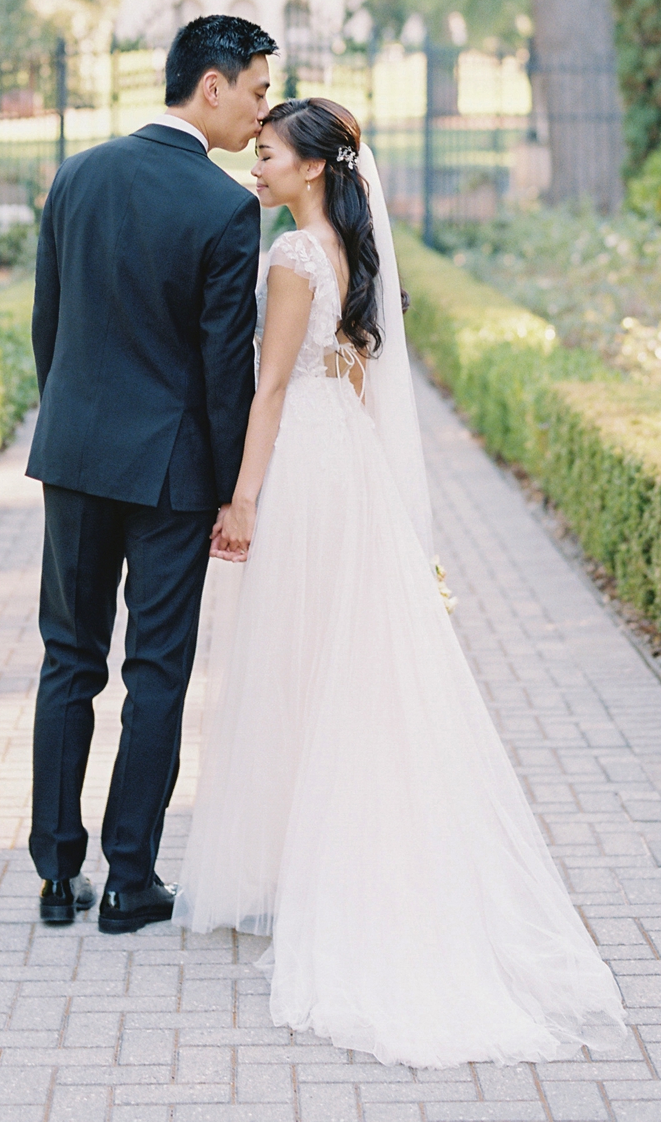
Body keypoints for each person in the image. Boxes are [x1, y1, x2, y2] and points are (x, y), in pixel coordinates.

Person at [175, 97, 626, 1067]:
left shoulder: (293, 258)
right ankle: (327, 856)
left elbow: (266, 387)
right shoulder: (349, 250)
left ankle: (316, 870)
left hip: (302, 464)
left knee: (297, 657)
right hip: (351, 467)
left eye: (268, 153)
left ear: (312, 168)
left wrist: (241, 495)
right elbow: (361, 379)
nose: (256, 164)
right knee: (347, 664)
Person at [26, 13, 276, 934]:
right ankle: (130, 880)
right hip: (170, 476)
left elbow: (48, 329)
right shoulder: (223, 207)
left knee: (68, 660)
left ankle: (57, 873)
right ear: (209, 86)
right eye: (254, 92)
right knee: (157, 672)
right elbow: (225, 371)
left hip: (75, 459)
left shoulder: (78, 175)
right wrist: (228, 491)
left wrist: (69, 425)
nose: (261, 115)